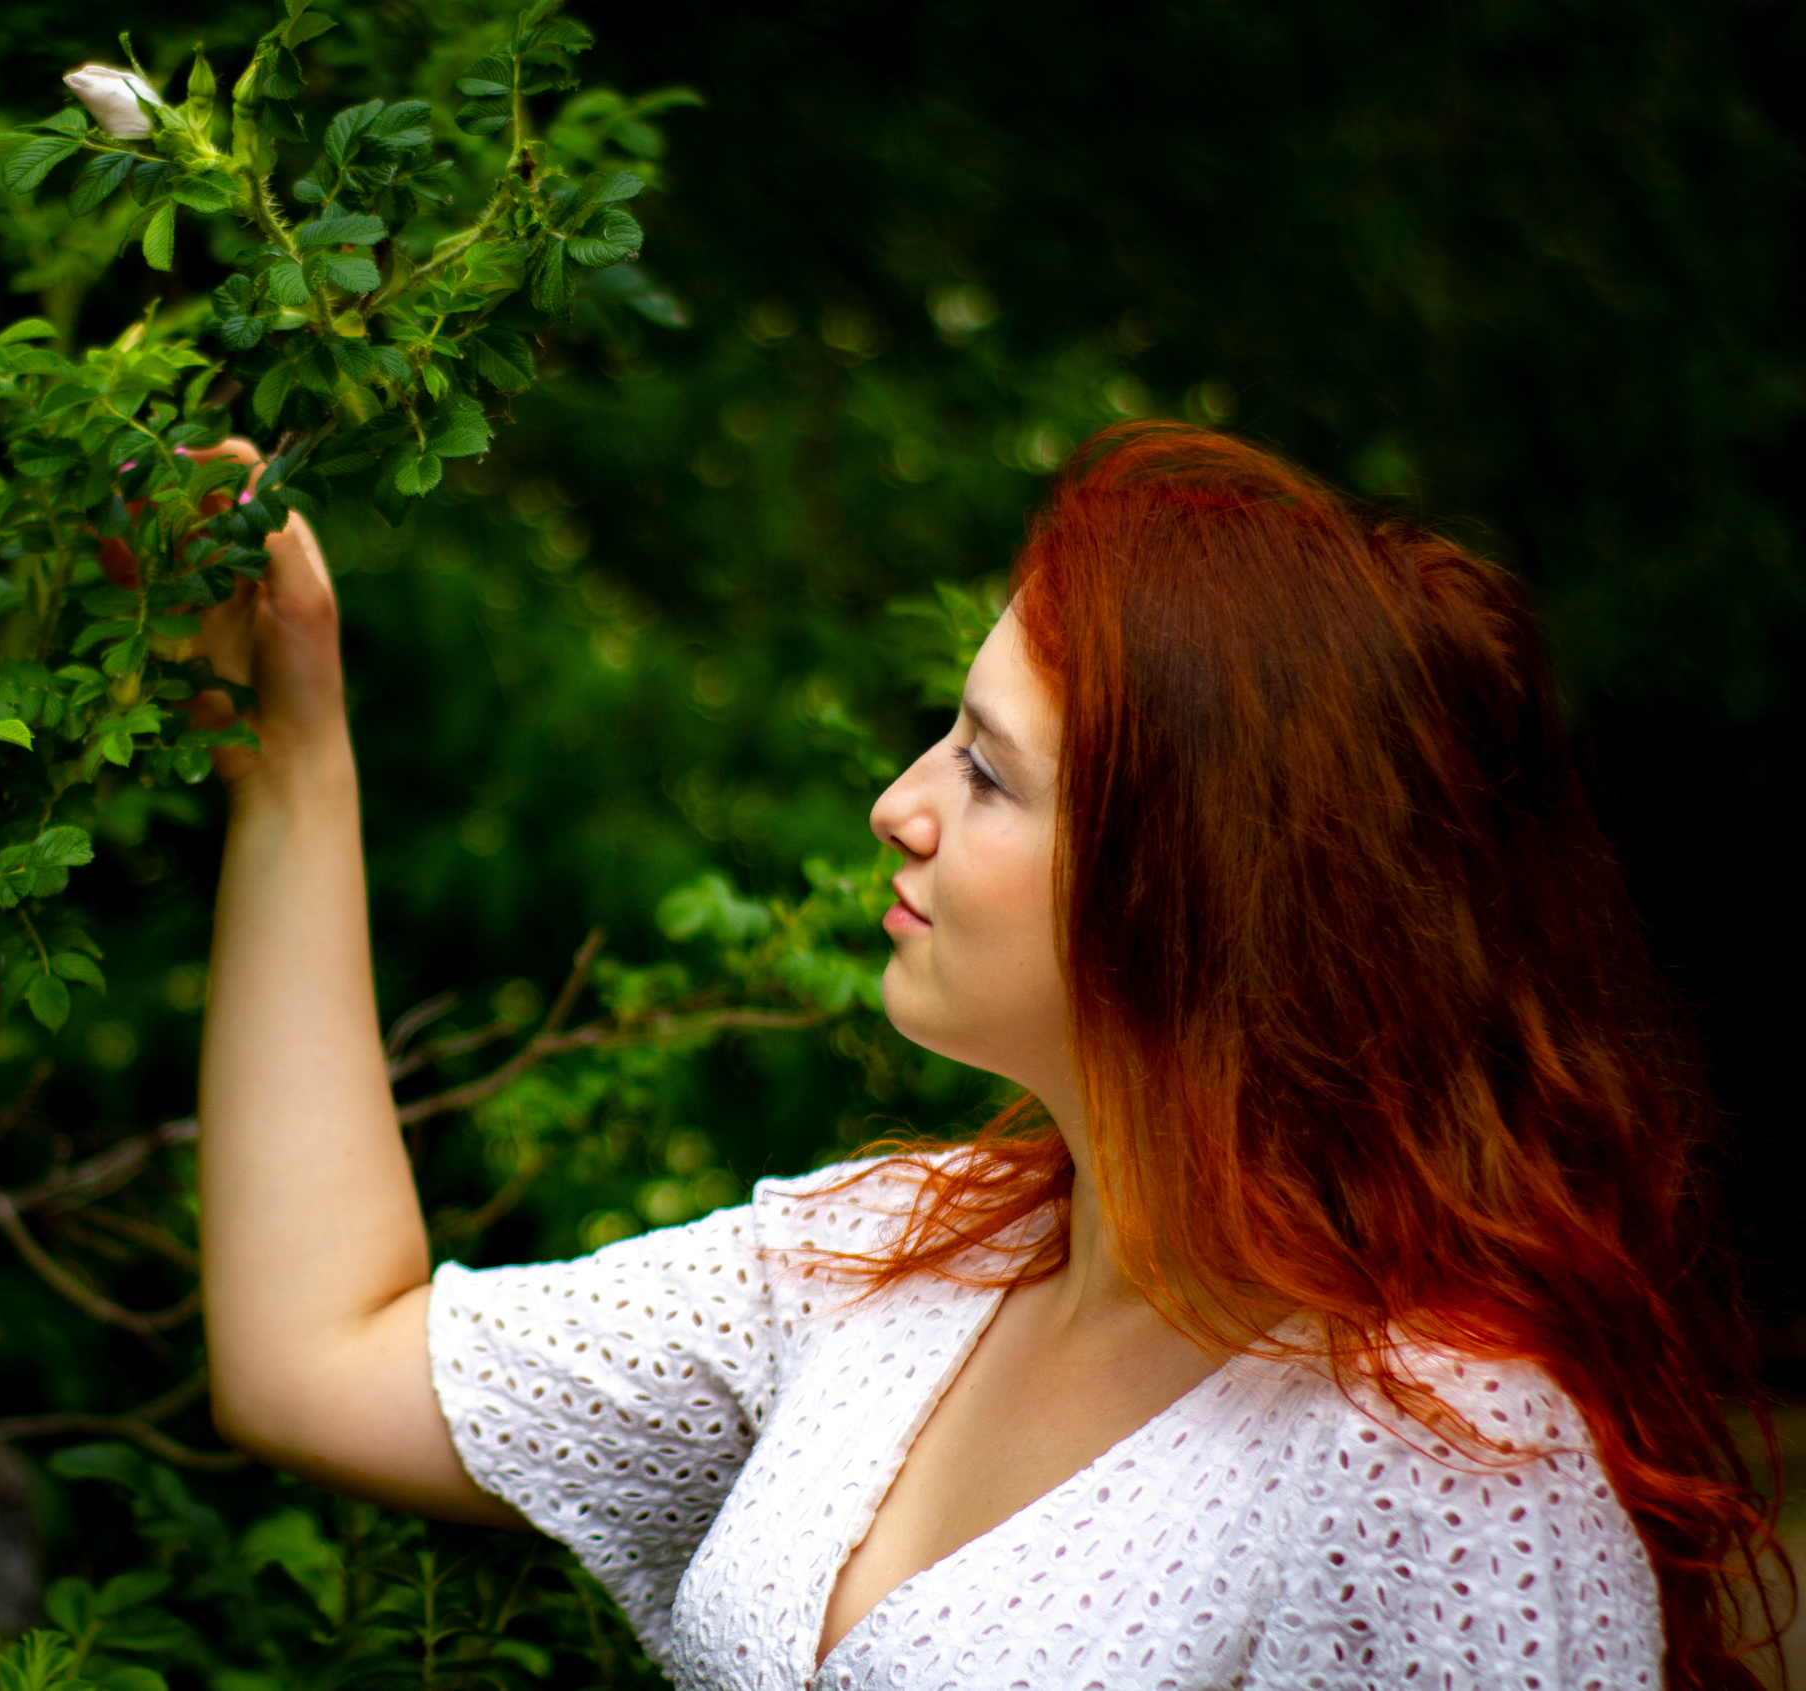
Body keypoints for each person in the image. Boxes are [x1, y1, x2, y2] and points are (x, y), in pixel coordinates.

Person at [184, 422, 1783, 1689]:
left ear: (1193, 893)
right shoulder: (890, 1261)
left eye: (991, 774)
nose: (901, 803)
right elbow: (318, 1359)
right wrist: (289, 750)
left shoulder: (1448, 1462)